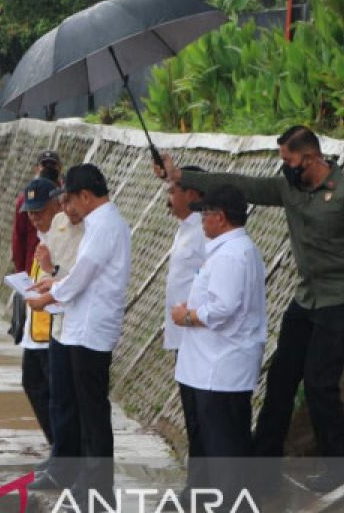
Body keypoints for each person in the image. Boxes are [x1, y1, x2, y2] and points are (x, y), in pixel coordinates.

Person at [159, 126, 344, 492]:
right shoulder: (288, 188)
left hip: (343, 297)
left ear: (309, 158)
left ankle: (339, 465)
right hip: (307, 297)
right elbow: (241, 184)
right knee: (280, 381)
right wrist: (182, 176)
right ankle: (261, 469)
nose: (284, 167)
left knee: (320, 382)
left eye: (288, 161)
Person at [27, 164, 132, 501]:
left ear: (85, 196)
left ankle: (98, 490)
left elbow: (83, 274)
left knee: (93, 415)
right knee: (86, 413)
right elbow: (80, 276)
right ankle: (89, 483)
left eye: (71, 198)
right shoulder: (99, 223)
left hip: (91, 329)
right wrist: (55, 283)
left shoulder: (103, 226)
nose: (69, 207)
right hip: (80, 326)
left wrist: (50, 293)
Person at [170, 185, 267, 507]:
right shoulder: (230, 249)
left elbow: (223, 309)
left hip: (220, 366)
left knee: (223, 446)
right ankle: (198, 499)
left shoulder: (232, 254)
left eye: (205, 214)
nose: (201, 220)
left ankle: (225, 503)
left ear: (220, 217)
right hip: (207, 365)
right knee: (207, 442)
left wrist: (187, 316)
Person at [19, 177, 85, 448]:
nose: (34, 218)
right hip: (35, 330)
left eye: (40, 211)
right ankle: (57, 450)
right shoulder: (42, 236)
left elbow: (71, 280)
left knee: (61, 400)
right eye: (30, 213)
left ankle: (66, 453)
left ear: (56, 206)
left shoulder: (70, 234)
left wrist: (52, 268)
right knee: (35, 387)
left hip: (56, 332)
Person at [162, 167, 207, 500]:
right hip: (184, 336)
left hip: (198, 335)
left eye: (173, 190)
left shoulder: (205, 231)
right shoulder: (185, 228)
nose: (168, 196)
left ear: (193, 194)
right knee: (193, 415)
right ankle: (197, 485)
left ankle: (203, 487)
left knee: (203, 416)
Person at [13, 151, 64, 274]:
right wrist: (21, 271)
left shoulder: (65, 199)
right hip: (32, 267)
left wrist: (52, 270)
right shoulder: (24, 199)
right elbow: (18, 237)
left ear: (57, 206)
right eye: (44, 165)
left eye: (52, 165)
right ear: (36, 169)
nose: (48, 169)